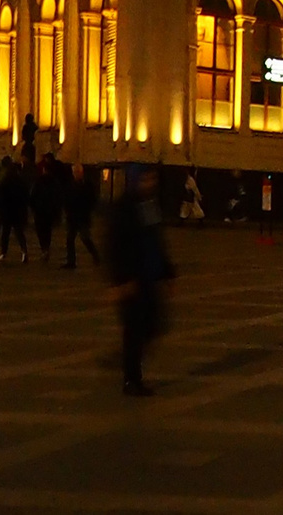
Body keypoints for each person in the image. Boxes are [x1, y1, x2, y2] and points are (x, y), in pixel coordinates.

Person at [105, 164, 177, 396]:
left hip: (148, 277)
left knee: (153, 325)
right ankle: (131, 379)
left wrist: (167, 272)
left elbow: (157, 241)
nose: (150, 184)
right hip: (132, 280)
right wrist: (121, 280)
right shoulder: (124, 208)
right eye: (146, 180)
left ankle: (129, 366)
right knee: (134, 329)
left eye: (152, 180)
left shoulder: (150, 205)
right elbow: (114, 246)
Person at [64, 163, 102, 270]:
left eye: (78, 172)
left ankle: (95, 255)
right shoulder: (70, 185)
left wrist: (87, 209)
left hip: (83, 216)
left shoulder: (87, 185)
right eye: (74, 172)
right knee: (70, 239)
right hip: (72, 216)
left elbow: (92, 199)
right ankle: (71, 261)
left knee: (85, 238)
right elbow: (67, 198)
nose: (76, 174)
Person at [0, 155, 31, 262]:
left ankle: (3, 252)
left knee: (5, 233)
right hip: (18, 210)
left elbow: (0, 196)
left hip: (7, 210)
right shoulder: (20, 181)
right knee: (19, 232)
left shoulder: (4, 181)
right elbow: (26, 195)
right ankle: (24, 251)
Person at [31, 157, 62, 261]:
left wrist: (33, 207)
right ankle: (46, 248)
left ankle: (44, 249)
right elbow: (58, 197)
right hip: (49, 211)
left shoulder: (38, 181)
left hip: (40, 210)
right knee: (47, 231)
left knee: (40, 231)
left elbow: (33, 195)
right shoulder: (55, 182)